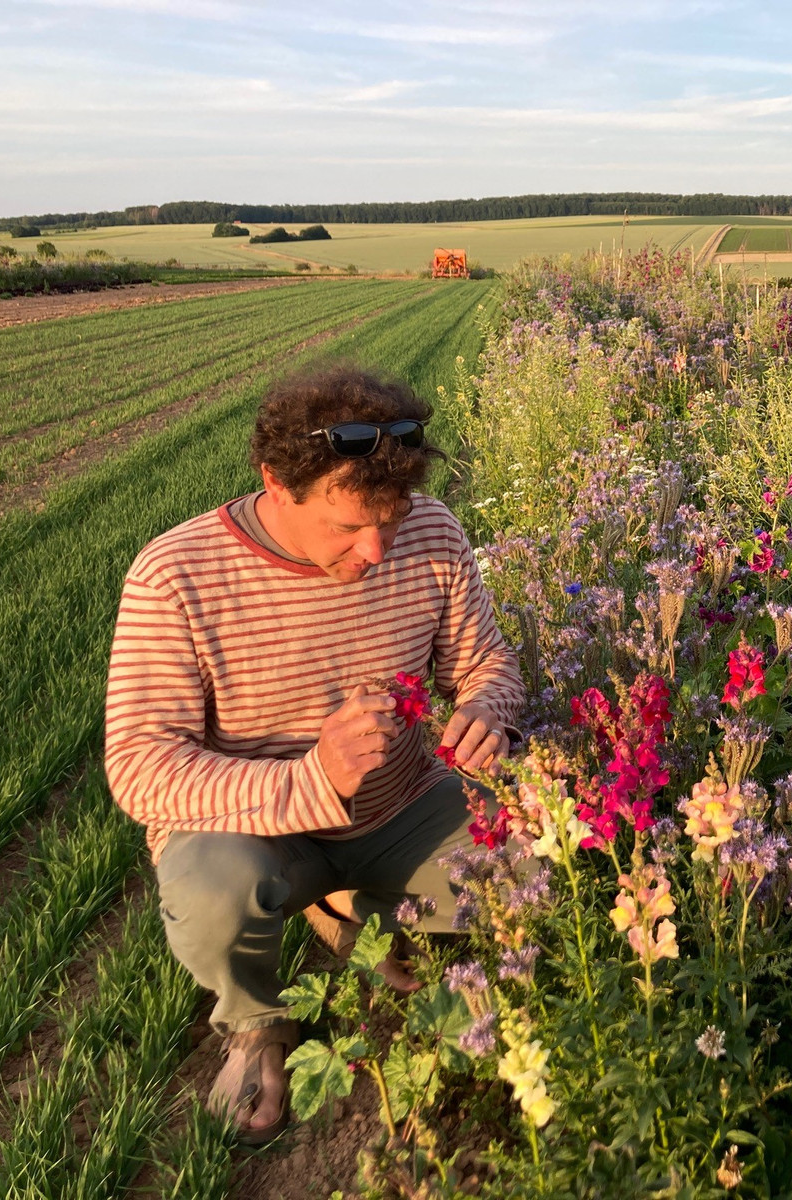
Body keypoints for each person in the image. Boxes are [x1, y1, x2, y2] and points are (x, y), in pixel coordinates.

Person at [103, 364, 524, 1143]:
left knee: (520, 873)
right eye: (347, 526)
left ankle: (360, 912)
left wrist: (483, 711)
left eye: (389, 522)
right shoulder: (176, 575)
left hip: (398, 804)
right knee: (213, 894)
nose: (373, 550)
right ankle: (257, 1023)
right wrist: (309, 780)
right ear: (274, 481)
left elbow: (485, 662)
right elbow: (138, 763)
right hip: (256, 830)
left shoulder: (431, 533)